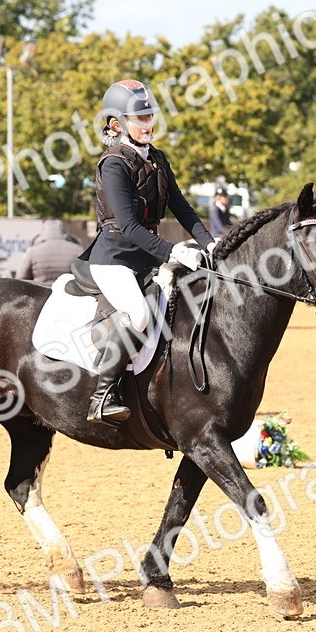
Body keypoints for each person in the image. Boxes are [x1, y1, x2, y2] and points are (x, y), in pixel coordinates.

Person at [81, 78, 215, 425]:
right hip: (114, 260)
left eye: (150, 116)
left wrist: (209, 242)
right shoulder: (113, 164)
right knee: (139, 315)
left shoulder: (157, 158)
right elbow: (128, 227)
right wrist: (174, 251)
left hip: (148, 259)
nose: (147, 123)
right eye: (139, 118)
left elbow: (182, 208)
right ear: (117, 123)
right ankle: (102, 395)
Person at [16, 220, 84, 285]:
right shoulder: (77, 250)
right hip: (68, 295)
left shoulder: (32, 251)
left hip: (40, 295)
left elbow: (21, 280)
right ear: (63, 232)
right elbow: (86, 278)